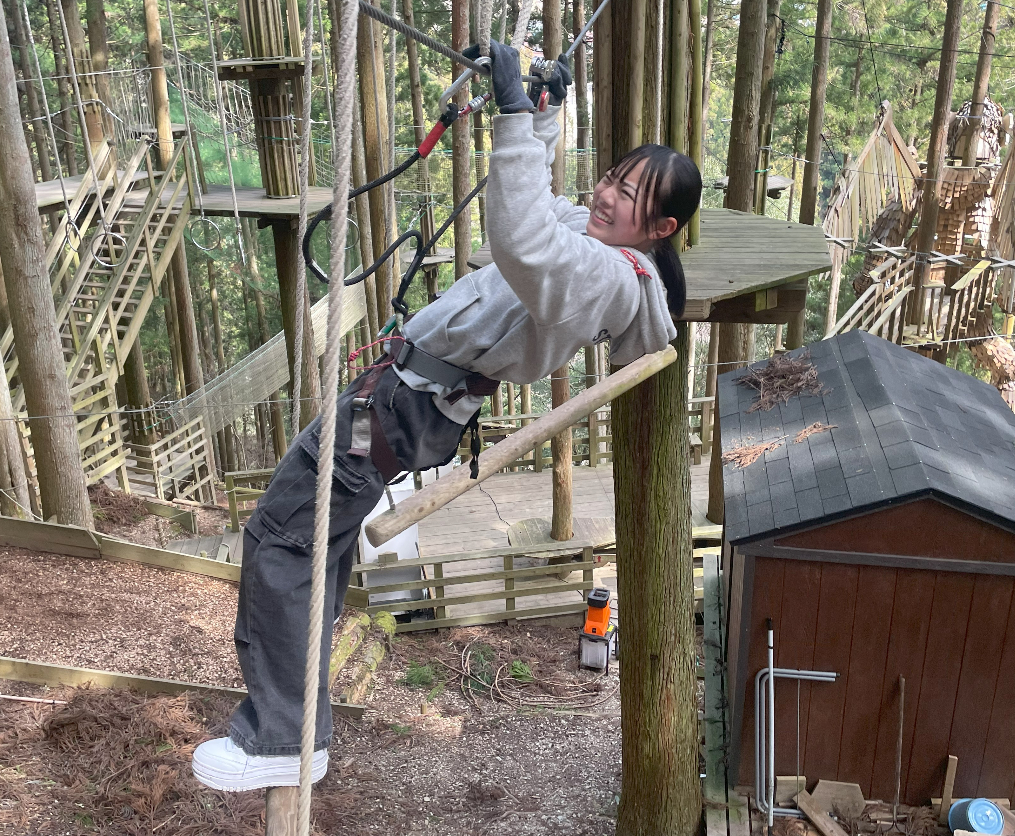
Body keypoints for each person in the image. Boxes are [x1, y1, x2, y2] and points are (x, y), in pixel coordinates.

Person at [192, 40, 702, 791]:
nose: (606, 194)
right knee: (312, 543)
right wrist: (542, 118)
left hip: (402, 407)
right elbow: (545, 205)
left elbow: (524, 239)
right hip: (403, 403)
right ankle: (294, 699)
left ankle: (281, 741)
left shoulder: (606, 277)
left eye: (629, 194)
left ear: (658, 228)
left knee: (281, 539)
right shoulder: (599, 245)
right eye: (613, 177)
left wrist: (508, 116)